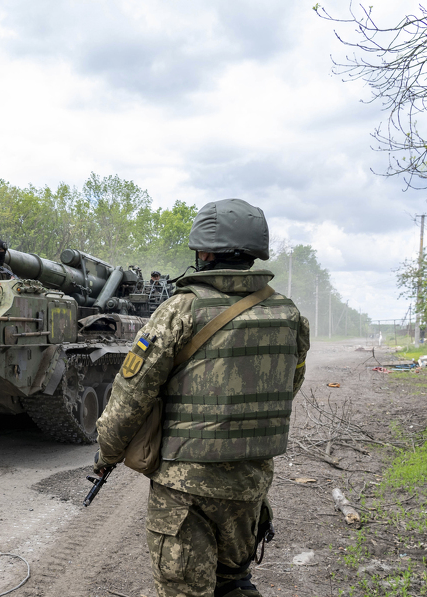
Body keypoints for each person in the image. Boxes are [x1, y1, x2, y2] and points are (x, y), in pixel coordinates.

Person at [94, 199, 310, 597]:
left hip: (184, 490)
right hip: (250, 483)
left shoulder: (180, 310)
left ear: (205, 251)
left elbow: (131, 396)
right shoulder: (289, 314)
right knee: (234, 584)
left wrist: (107, 454)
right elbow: (288, 387)